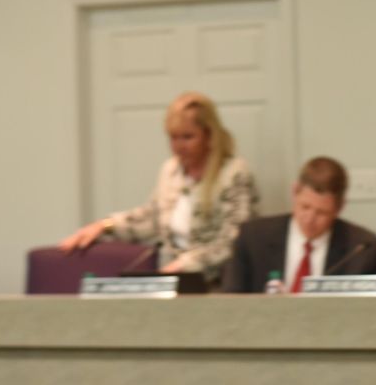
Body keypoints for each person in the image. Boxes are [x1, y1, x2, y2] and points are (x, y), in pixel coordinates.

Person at [59, 91, 259, 284]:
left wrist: (186, 265)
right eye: (173, 137)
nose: (178, 146)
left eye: (187, 137)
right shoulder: (171, 170)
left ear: (209, 135)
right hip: (173, 278)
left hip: (218, 282)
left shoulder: (234, 172)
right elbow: (152, 219)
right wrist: (105, 225)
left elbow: (235, 239)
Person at [223, 156, 376, 293]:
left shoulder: (362, 249)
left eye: (321, 213)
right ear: (295, 192)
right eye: (305, 207)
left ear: (339, 208)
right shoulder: (253, 237)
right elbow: (231, 301)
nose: (309, 219)